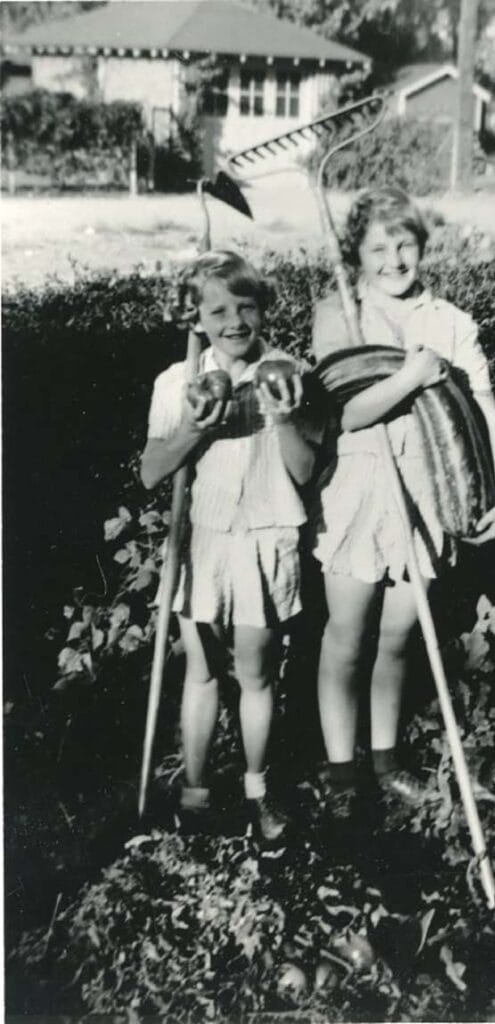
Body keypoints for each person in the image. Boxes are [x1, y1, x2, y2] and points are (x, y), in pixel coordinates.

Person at [311, 186, 495, 821]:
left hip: (426, 493)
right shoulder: (338, 315)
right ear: (356, 256)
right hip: (357, 492)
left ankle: (384, 760)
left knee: (399, 635)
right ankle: (341, 770)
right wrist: (407, 377)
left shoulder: (449, 322)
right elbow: (343, 415)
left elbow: (485, 409)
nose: (393, 258)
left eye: (403, 243)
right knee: (347, 634)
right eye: (377, 247)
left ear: (422, 245)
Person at [141, 250, 315, 840]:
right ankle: (194, 792)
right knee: (201, 670)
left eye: (247, 306)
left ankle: (257, 789)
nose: (235, 321)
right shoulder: (178, 382)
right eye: (218, 310)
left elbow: (305, 472)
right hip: (205, 540)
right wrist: (194, 428)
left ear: (264, 309)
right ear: (196, 320)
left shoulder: (291, 374)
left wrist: (285, 420)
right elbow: (150, 473)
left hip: (267, 537)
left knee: (258, 672)